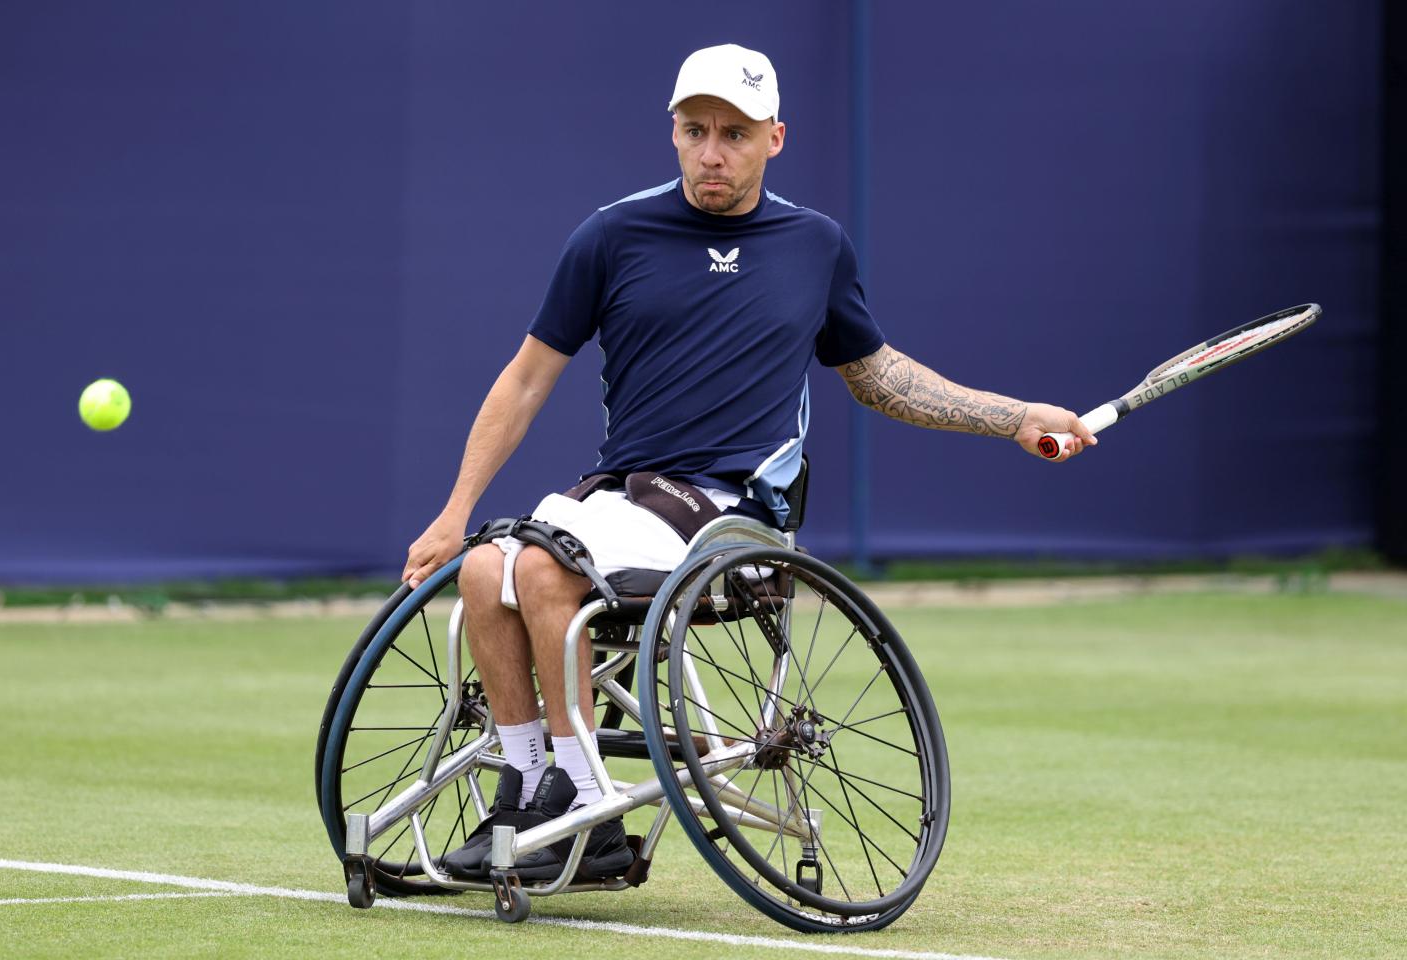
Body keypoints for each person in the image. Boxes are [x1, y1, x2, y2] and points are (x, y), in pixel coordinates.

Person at [400, 43, 1094, 880]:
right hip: (621, 496)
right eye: (695, 131)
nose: (712, 152)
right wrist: (452, 510)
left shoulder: (815, 245)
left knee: (546, 575)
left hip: (734, 515)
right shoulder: (612, 234)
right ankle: (531, 785)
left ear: (775, 138)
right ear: (673, 134)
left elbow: (878, 379)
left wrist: (1015, 417)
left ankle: (587, 812)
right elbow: (523, 381)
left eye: (734, 132)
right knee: (482, 570)